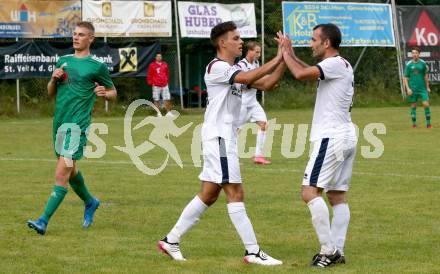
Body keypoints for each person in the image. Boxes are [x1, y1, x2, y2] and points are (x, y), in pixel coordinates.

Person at [158, 21, 286, 265]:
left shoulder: (233, 69)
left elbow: (267, 84)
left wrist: (283, 58)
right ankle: (252, 251)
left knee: (208, 195)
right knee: (235, 192)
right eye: (236, 38)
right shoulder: (218, 67)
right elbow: (249, 76)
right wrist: (279, 56)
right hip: (219, 138)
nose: (240, 42)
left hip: (221, 137)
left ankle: (171, 240)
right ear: (222, 42)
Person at [27, 21, 117, 235]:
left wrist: (105, 93)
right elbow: (51, 93)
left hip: (77, 126)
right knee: (70, 169)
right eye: (74, 34)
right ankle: (90, 201)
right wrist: (52, 79)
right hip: (59, 124)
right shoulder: (63, 61)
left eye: (81, 34)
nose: (76, 37)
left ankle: (43, 221)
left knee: (61, 172)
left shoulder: (97, 66)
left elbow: (114, 93)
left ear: (91, 39)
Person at [282, 24, 357, 267]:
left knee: (309, 192)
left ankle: (328, 250)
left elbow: (301, 74)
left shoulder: (334, 63)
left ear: (326, 44)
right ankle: (338, 249)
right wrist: (291, 53)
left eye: (314, 40)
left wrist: (284, 54)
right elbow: (309, 70)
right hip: (345, 134)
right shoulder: (338, 65)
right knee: (337, 196)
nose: (311, 43)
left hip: (331, 137)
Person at [237, 41, 271, 164]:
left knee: (264, 124)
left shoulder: (256, 63)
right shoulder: (241, 65)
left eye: (259, 52)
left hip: (253, 101)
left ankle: (258, 155)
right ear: (249, 51)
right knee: (236, 130)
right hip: (242, 102)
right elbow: (242, 84)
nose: (259, 54)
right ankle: (231, 157)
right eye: (256, 51)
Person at [404, 47, 432, 128]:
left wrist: (427, 87)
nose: (414, 54)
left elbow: (426, 76)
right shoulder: (409, 65)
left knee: (426, 104)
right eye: (413, 53)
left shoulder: (423, 63)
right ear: (411, 54)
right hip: (413, 89)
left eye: (416, 53)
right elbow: (405, 78)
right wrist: (408, 88)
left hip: (422, 88)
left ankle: (428, 124)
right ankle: (414, 124)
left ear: (419, 54)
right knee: (413, 106)